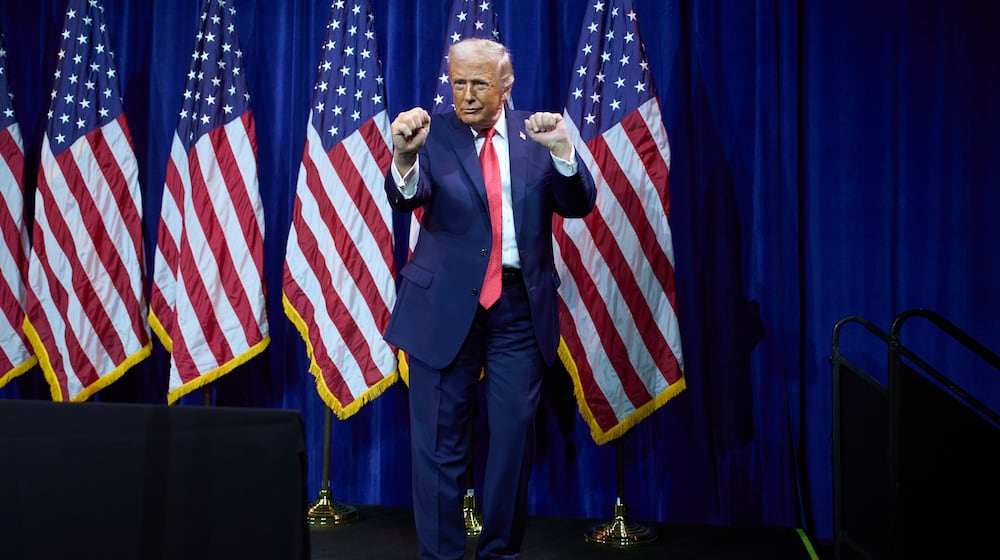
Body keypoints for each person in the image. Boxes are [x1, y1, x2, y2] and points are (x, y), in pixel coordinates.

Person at [383, 38, 597, 560]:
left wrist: (565, 153)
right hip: (443, 312)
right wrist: (404, 159)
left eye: (479, 83)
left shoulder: (536, 137)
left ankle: (500, 553)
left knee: (511, 445)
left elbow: (578, 205)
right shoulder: (430, 136)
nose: (467, 95)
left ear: (506, 84)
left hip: (517, 313)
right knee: (437, 449)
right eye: (458, 82)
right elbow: (406, 195)